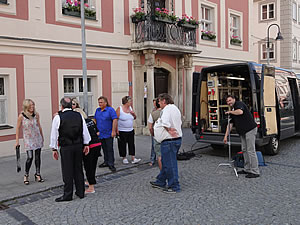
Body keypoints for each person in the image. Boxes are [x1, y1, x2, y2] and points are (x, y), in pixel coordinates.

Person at [50, 97, 91, 202]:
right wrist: (86, 143)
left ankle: (68, 194)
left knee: (67, 170)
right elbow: (84, 131)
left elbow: (54, 134)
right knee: (78, 169)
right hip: (78, 145)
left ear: (62, 106)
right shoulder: (78, 115)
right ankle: (80, 192)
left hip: (66, 146)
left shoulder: (58, 117)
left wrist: (54, 148)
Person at [150, 93, 182, 194]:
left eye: (159, 101)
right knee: (166, 162)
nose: (158, 104)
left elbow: (165, 122)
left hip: (169, 141)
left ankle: (174, 186)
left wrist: (169, 129)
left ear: (164, 101)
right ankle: (161, 180)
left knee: (170, 164)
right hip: (173, 140)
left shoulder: (167, 109)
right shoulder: (174, 108)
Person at [223, 95, 260, 178]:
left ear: (234, 99)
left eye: (230, 100)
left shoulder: (239, 104)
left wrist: (230, 112)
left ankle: (255, 171)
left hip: (250, 129)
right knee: (244, 150)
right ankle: (247, 169)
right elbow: (230, 125)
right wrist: (225, 137)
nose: (229, 103)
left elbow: (240, 112)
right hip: (243, 132)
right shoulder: (232, 109)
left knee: (251, 150)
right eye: (227, 102)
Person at [72, 98, 101, 194]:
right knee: (93, 166)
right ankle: (90, 181)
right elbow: (97, 132)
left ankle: (91, 187)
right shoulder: (90, 121)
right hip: (97, 144)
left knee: (88, 166)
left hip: (90, 146)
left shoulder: (81, 123)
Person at [15, 99, 44, 185]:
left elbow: (39, 125)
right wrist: (17, 141)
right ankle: (26, 174)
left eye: (33, 105)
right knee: (30, 157)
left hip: (37, 137)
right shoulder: (22, 116)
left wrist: (42, 136)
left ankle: (37, 174)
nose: (32, 107)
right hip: (28, 139)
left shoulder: (36, 114)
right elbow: (17, 128)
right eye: (30, 105)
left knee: (38, 156)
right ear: (26, 106)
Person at [95, 96, 118, 172]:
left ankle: (111, 163)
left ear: (105, 103)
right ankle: (106, 161)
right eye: (99, 102)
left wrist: (113, 131)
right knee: (104, 148)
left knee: (109, 148)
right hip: (101, 133)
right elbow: (95, 120)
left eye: (101, 102)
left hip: (108, 133)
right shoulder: (98, 110)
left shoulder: (110, 110)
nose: (100, 104)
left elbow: (115, 120)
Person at [116, 96, 141, 164]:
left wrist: (133, 114)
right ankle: (124, 157)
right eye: (130, 101)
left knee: (131, 144)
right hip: (122, 130)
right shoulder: (119, 109)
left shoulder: (130, 108)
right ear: (126, 102)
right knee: (122, 144)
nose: (131, 102)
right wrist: (116, 130)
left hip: (130, 129)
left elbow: (134, 117)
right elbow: (116, 120)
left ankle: (133, 157)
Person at [148, 98, 162, 170]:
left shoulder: (153, 113)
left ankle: (152, 160)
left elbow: (150, 126)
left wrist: (152, 133)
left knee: (154, 146)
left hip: (156, 131)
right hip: (164, 132)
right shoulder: (165, 111)